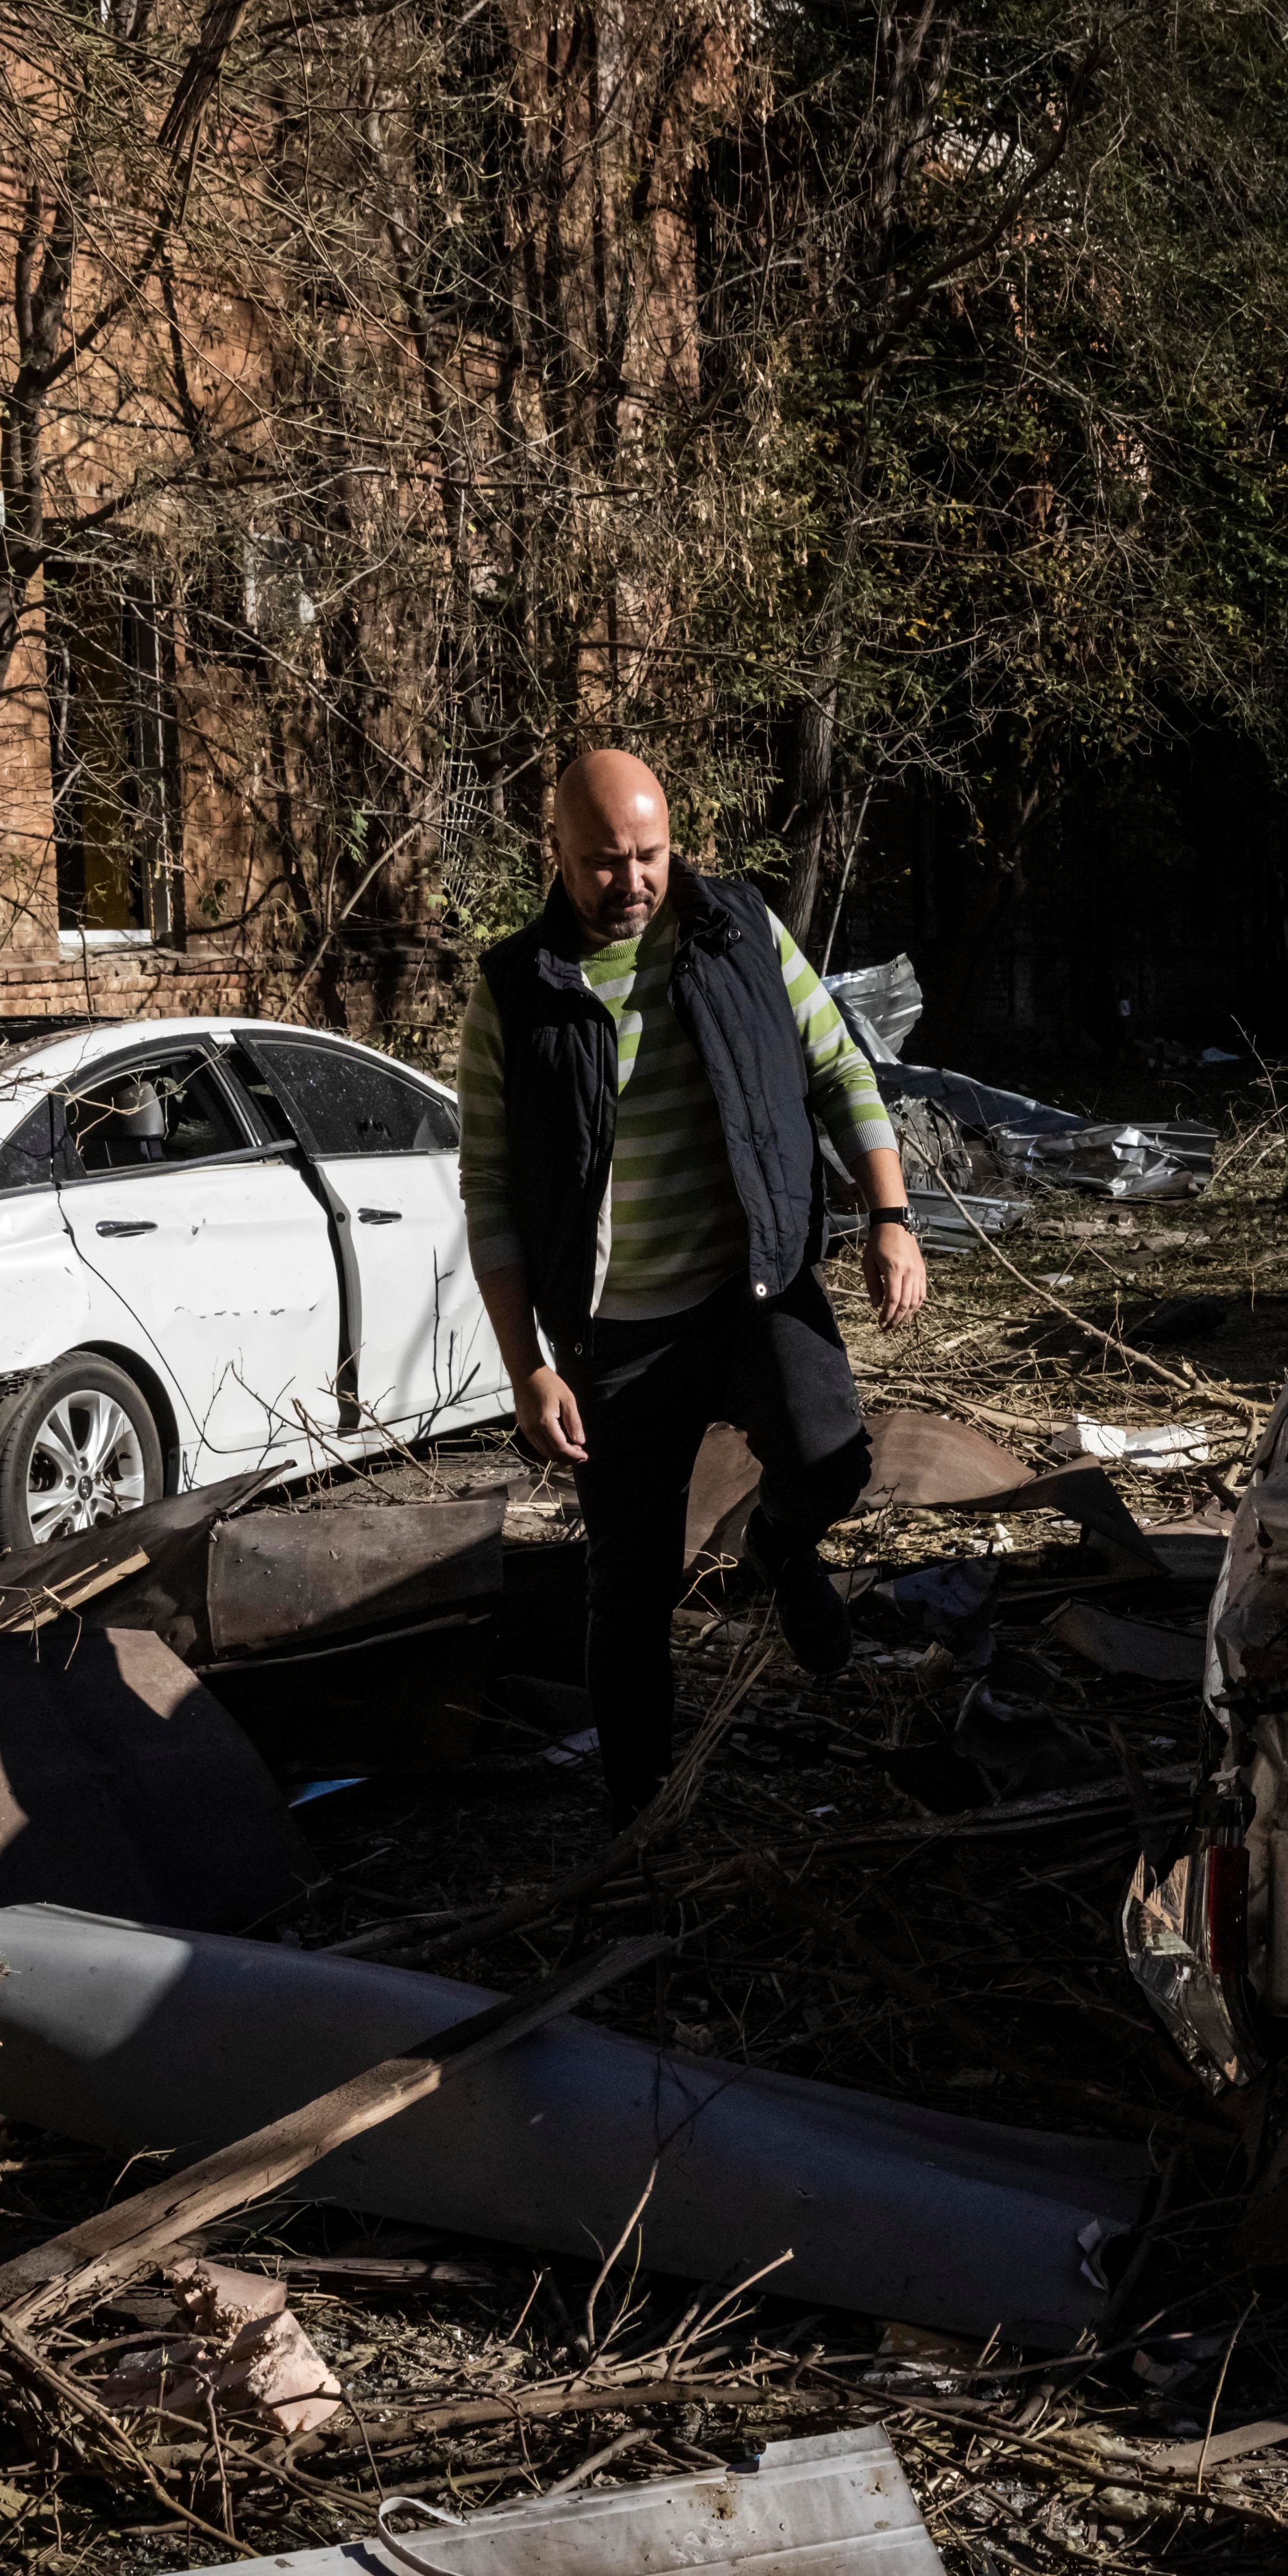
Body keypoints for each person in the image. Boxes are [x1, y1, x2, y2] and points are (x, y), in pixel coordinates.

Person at [458, 748, 928, 1813]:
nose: (630, 881)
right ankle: (640, 1809)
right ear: (556, 855)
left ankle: (774, 1543)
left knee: (833, 1461)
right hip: (613, 1338)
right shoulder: (513, 992)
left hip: (751, 1290)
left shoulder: (741, 932)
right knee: (629, 1588)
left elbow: (839, 1066)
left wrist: (889, 1216)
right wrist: (525, 1365)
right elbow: (486, 1187)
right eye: (602, 864)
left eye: (648, 855)